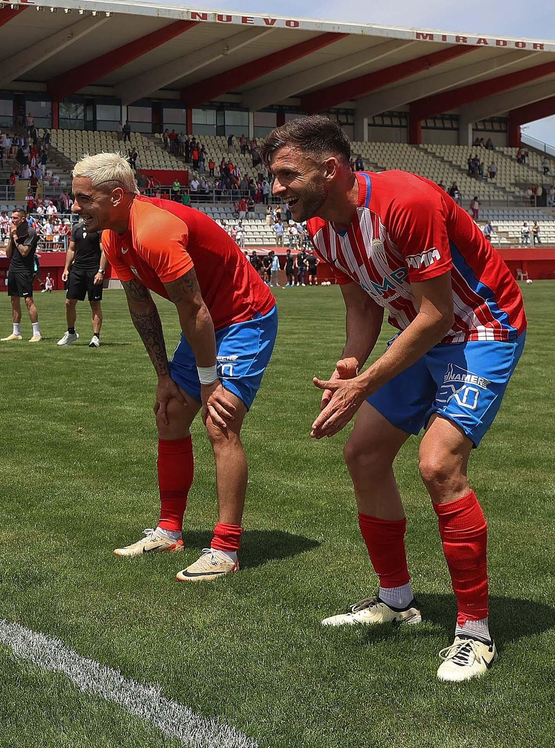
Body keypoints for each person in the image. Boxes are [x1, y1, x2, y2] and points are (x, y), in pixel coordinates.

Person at [264, 115, 527, 683]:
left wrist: (366, 385)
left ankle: (475, 632)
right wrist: (353, 362)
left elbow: (437, 315)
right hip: (421, 333)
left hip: (480, 329)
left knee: (438, 464)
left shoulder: (405, 201)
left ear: (328, 169)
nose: (276, 188)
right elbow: (363, 308)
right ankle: (396, 597)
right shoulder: (320, 229)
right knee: (363, 454)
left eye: (287, 175)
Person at [71, 152, 277, 584]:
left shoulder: (155, 231)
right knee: (169, 415)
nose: (75, 206)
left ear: (116, 196)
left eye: (83, 198)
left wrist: (208, 385)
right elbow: (140, 306)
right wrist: (164, 377)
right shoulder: (114, 235)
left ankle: (225, 547)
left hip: (243, 317)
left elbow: (196, 311)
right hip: (205, 320)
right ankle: (169, 530)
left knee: (220, 423)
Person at [59, 218, 110, 348]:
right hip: (77, 270)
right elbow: (71, 249)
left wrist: (100, 271)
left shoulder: (99, 228)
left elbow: (104, 250)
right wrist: (66, 268)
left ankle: (95, 337)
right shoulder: (77, 227)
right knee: (69, 302)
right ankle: (71, 332)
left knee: (94, 303)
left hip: (93, 269)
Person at [1, 209, 42, 342]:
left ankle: (36, 333)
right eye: (11, 218)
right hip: (13, 268)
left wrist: (15, 237)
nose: (12, 220)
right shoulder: (14, 232)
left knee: (28, 300)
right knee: (14, 300)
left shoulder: (30, 232)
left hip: (25, 270)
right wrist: (10, 237)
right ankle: (16, 332)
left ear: (23, 219)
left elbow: (25, 252)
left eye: (15, 218)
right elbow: (8, 255)